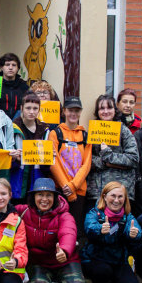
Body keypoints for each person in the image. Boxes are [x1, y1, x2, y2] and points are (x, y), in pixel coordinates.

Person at [15, 178, 84, 283]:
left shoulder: (64, 215)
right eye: (40, 195)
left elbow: (68, 232)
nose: (44, 199)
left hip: (65, 261)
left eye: (48, 195)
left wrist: (64, 250)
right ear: (33, 197)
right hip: (38, 263)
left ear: (55, 198)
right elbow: (1, 207)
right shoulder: (22, 212)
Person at [81, 182, 142, 283]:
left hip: (119, 260)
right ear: (104, 196)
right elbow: (89, 227)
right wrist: (100, 229)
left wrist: (133, 234)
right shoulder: (95, 213)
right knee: (103, 271)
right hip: (96, 258)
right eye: (113, 196)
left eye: (120, 197)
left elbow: (136, 229)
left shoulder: (127, 216)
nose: (116, 200)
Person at [48, 96, 93, 232]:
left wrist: (73, 186)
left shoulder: (85, 135)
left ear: (80, 113)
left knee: (75, 229)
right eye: (70, 110)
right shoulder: (55, 133)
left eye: (77, 111)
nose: (73, 114)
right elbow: (53, 161)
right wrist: (66, 187)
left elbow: (87, 164)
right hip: (60, 189)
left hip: (79, 189)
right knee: (57, 228)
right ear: (64, 111)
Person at [85, 95, 139, 206]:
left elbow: (133, 158)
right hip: (96, 192)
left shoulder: (124, 131)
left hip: (119, 193)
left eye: (109, 108)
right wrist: (103, 162)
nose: (105, 111)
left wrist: (109, 156)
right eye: (102, 108)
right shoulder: (92, 131)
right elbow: (85, 158)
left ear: (115, 110)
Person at [11, 93, 50, 200]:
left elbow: (46, 168)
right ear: (21, 109)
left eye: (35, 108)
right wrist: (15, 159)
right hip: (18, 180)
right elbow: (7, 159)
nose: (31, 112)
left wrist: (49, 158)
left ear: (39, 110)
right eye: (28, 108)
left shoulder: (45, 130)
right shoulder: (12, 129)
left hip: (37, 180)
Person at [0, 52, 29, 119]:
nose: (10, 68)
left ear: (18, 68)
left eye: (14, 65)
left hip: (18, 123)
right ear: (2, 67)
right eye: (7, 65)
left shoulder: (23, 86)